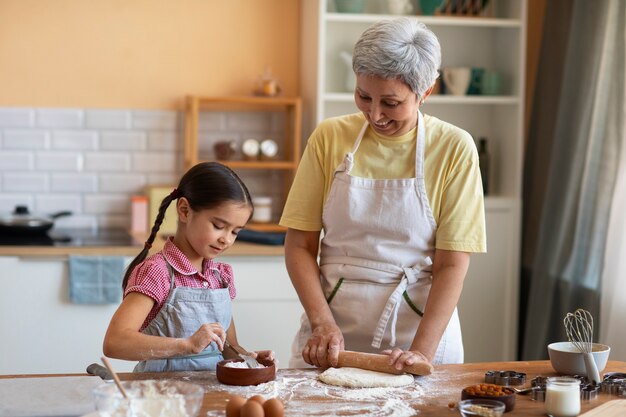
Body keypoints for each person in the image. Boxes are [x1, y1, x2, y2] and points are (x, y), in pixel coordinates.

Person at [279, 18, 486, 371]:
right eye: (363, 96)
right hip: (330, 338)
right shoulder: (329, 137)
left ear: (426, 93)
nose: (374, 115)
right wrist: (322, 323)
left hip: (421, 332)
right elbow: (299, 246)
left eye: (391, 102)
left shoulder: (454, 148)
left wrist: (421, 352)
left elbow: (452, 264)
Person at [103, 162, 274, 372]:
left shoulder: (220, 277)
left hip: (211, 394)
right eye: (219, 226)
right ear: (184, 211)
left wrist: (249, 359)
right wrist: (186, 345)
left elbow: (227, 347)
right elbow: (115, 342)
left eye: (235, 232)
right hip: (161, 396)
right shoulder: (157, 272)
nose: (226, 240)